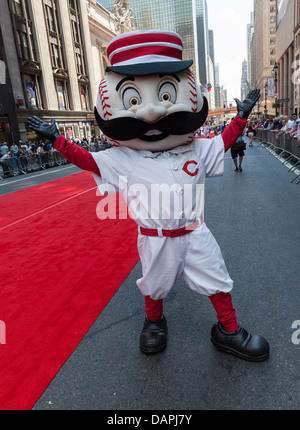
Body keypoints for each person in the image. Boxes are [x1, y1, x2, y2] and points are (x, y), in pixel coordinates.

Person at [27, 30, 269, 362]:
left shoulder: (195, 148)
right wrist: (58, 140)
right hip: (155, 238)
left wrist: (241, 118)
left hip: (195, 232)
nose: (152, 114)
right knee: (154, 285)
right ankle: (154, 322)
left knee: (217, 278)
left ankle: (228, 330)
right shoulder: (124, 158)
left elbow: (222, 143)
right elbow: (88, 160)